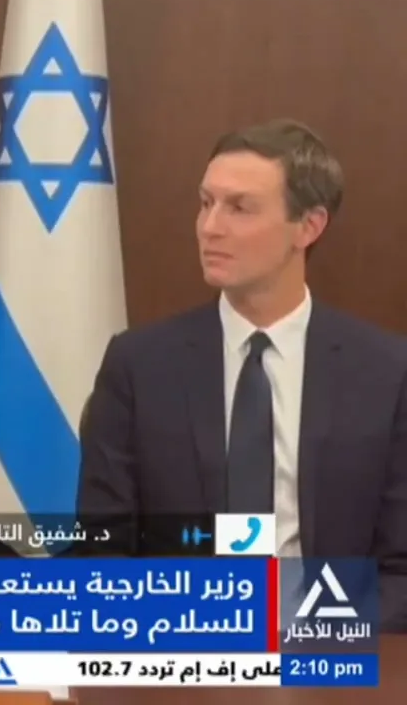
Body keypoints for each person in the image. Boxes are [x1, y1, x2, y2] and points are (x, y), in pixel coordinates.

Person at [76, 119, 407, 630]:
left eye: (240, 208)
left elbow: (400, 569)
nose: (210, 227)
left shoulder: (387, 372)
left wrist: (314, 633)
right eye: (206, 203)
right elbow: (102, 553)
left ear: (309, 226)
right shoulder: (139, 366)